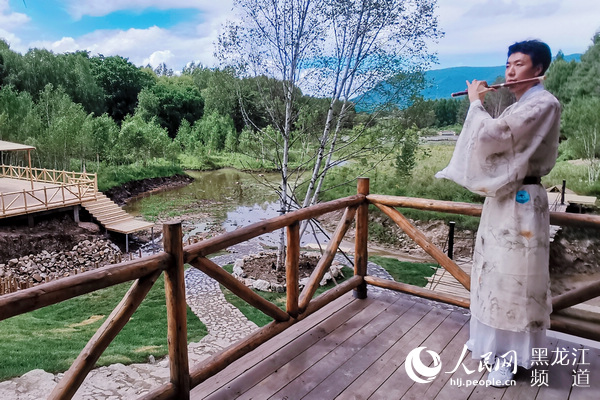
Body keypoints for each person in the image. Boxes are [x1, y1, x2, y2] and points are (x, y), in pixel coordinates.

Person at [435, 40, 561, 387]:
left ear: (538, 70)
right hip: (504, 202)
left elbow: (495, 136)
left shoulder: (543, 103)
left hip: (523, 203)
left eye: (519, 64)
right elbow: (496, 148)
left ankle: (511, 357)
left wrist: (476, 104)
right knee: (495, 277)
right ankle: (492, 350)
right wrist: (481, 107)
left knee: (517, 279)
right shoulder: (520, 105)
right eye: (508, 64)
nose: (510, 71)